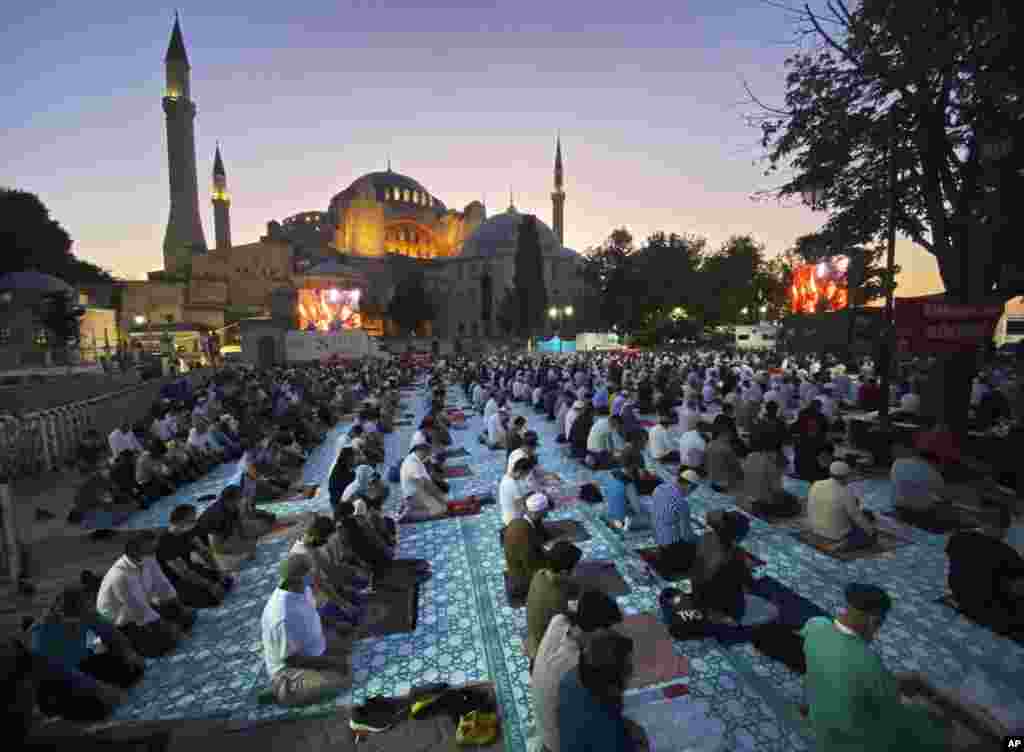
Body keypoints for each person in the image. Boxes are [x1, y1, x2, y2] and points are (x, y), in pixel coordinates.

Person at [800, 583, 951, 751]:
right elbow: (893, 711)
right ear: (874, 621)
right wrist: (929, 713)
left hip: (820, 716)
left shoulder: (815, 625)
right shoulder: (869, 664)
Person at [531, 590, 624, 752]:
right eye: (609, 630)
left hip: (543, 727)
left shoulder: (558, 621)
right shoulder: (579, 667)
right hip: (558, 743)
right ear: (597, 632)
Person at [260, 555, 353, 706]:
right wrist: (332, 663)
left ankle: (316, 676)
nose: (314, 574)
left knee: (349, 649)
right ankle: (283, 691)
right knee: (343, 680)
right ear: (298, 578)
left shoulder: (302, 589)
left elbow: (312, 613)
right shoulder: (282, 615)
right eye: (311, 571)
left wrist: (335, 625)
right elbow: (291, 659)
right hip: (289, 669)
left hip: (310, 649)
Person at [30, 585, 145, 698]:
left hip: (86, 666)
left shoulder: (88, 620)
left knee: (131, 667)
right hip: (65, 679)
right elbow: (55, 673)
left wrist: (127, 653)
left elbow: (108, 642)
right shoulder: (42, 635)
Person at [95, 531, 196, 658]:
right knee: (167, 643)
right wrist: (167, 628)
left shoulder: (148, 559)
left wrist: (179, 607)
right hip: (121, 622)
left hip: (143, 608)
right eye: (151, 548)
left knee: (186, 617)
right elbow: (138, 609)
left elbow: (162, 585)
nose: (154, 550)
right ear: (135, 551)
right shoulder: (120, 575)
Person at [558, 629, 648, 752]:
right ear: (612, 685)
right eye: (628, 669)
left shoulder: (569, 678)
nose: (632, 673)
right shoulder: (611, 734)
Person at [946, 506, 1024, 638]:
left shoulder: (958, 538)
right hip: (990, 607)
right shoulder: (1008, 554)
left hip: (960, 594)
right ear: (1003, 529)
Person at [693, 510, 778, 626]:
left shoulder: (705, 538)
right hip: (721, 607)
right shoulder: (735, 555)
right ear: (737, 537)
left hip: (698, 595)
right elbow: (749, 584)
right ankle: (725, 620)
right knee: (773, 611)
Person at [156, 504, 230, 609]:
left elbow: (204, 552)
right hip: (177, 581)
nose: (195, 523)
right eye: (192, 520)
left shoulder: (188, 532)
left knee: (227, 581)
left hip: (192, 570)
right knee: (215, 598)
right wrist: (210, 585)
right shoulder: (166, 544)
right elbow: (183, 573)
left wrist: (219, 570)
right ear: (180, 522)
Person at [525, 542, 583, 665]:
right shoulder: (556, 598)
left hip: (533, 635)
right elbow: (562, 626)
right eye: (576, 567)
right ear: (564, 572)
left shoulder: (540, 574)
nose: (577, 570)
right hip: (542, 647)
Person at [807, 461, 878, 550]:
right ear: (846, 477)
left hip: (815, 529)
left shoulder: (816, 484)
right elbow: (857, 517)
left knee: (861, 513)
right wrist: (871, 531)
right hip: (837, 535)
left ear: (830, 473)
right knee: (868, 529)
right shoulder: (845, 492)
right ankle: (844, 544)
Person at [650, 467, 701, 576]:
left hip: (656, 537)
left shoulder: (659, 488)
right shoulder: (682, 503)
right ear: (689, 486)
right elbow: (687, 536)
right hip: (671, 548)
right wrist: (698, 539)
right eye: (693, 490)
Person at [194, 485, 258, 571]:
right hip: (204, 543)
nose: (244, 500)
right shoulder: (218, 515)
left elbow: (240, 526)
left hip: (220, 535)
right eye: (241, 497)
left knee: (251, 535)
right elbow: (217, 546)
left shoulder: (233, 507)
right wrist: (242, 552)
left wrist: (247, 543)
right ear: (231, 500)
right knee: (233, 565)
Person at [504, 492, 554, 599]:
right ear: (539, 512)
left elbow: (541, 537)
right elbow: (531, 565)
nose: (547, 515)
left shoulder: (521, 521)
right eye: (545, 512)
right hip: (521, 575)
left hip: (520, 565)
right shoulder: (523, 531)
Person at [741, 437, 802, 517]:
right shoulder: (771, 464)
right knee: (795, 505)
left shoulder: (750, 456)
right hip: (763, 503)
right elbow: (777, 491)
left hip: (748, 498)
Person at [399, 438, 448, 522]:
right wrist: (439, 497)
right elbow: (425, 484)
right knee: (441, 510)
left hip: (417, 494)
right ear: (422, 450)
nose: (429, 454)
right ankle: (409, 515)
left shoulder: (417, 461)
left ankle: (412, 508)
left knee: (441, 503)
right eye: (428, 452)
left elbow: (428, 482)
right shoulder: (412, 463)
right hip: (413, 497)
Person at [706, 422, 743, 493]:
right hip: (724, 484)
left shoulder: (709, 444)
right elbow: (737, 469)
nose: (731, 438)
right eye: (730, 435)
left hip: (711, 481)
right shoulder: (727, 449)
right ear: (725, 434)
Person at [500, 456, 536, 526]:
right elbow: (522, 505)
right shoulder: (512, 484)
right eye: (527, 473)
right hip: (513, 521)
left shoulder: (507, 477)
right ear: (521, 471)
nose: (527, 476)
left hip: (508, 516)